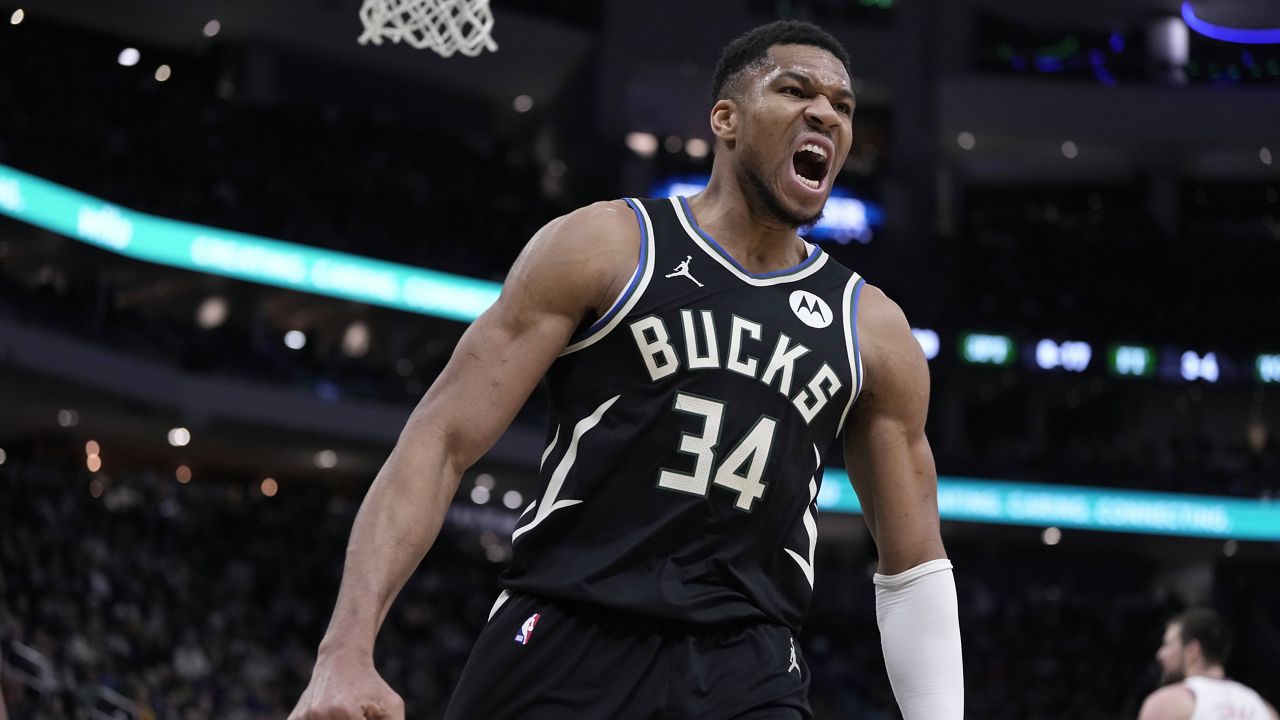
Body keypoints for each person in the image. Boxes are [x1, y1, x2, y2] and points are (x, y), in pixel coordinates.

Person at [290, 19, 962, 720]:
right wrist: (344, 653)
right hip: (566, 630)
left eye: (843, 106)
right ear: (726, 120)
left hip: (747, 667)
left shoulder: (871, 326)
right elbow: (440, 440)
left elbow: (913, 565)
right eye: (795, 91)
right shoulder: (606, 245)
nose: (825, 113)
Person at [1139, 608, 1278, 720]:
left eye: (1168, 644)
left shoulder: (1168, 703)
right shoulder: (1265, 709)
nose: (1160, 654)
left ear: (1193, 650)